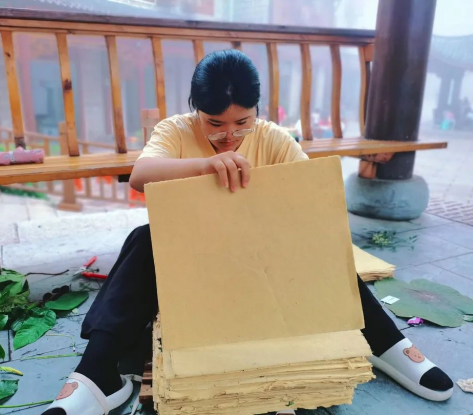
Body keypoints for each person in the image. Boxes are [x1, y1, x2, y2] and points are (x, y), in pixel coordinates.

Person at [43, 50, 453, 415]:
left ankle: (386, 342)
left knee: (320, 239)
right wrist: (204, 166)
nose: (229, 136)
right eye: (215, 124)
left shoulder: (272, 138)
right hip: (195, 271)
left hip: (261, 271)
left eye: (242, 122)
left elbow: (313, 198)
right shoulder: (176, 131)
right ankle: (98, 372)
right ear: (196, 111)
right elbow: (140, 175)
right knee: (144, 238)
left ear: (258, 109)